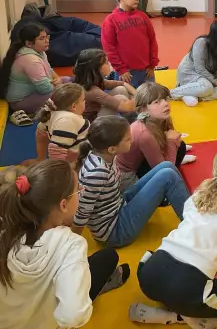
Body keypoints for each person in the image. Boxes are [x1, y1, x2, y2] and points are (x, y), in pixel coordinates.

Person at [130, 147, 217, 328]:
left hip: (149, 274)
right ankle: (180, 317)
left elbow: (188, 220)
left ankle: (172, 307)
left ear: (214, 171)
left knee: (181, 286)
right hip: (190, 287)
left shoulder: (200, 192)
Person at [0, 161, 129, 329]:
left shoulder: (7, 227)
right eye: (78, 190)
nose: (82, 191)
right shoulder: (71, 246)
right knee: (109, 257)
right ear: (63, 205)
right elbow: (73, 316)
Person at [72, 116, 190, 248]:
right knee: (167, 175)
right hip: (116, 232)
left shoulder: (103, 154)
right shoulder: (96, 173)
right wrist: (72, 243)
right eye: (128, 139)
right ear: (112, 149)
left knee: (166, 166)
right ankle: (195, 222)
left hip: (120, 205)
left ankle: (193, 210)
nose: (132, 140)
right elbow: (83, 210)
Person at [115, 82, 195, 190]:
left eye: (166, 99)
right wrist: (171, 142)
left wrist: (172, 142)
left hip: (142, 161)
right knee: (176, 147)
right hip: (127, 176)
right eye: (157, 102)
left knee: (181, 146)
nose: (165, 104)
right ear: (143, 109)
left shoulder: (160, 119)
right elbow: (165, 171)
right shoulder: (144, 133)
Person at [0, 22, 68, 122]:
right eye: (42, 38)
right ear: (29, 43)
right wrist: (59, 85)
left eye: (47, 37)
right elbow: (44, 89)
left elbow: (49, 70)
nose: (47, 41)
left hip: (35, 92)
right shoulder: (31, 60)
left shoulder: (40, 52)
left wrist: (58, 79)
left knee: (66, 81)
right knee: (66, 93)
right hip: (20, 102)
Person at [101, 0, 159, 88]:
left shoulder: (143, 16)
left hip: (146, 71)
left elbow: (152, 40)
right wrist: (121, 70)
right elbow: (109, 48)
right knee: (129, 101)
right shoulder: (111, 20)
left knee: (151, 100)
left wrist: (152, 64)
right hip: (126, 73)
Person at [170, 21, 217, 107]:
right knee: (207, 88)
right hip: (191, 73)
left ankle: (193, 95)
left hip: (208, 77)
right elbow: (199, 69)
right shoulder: (201, 43)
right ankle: (171, 92)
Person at [74, 48, 136, 122]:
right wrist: (141, 98)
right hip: (93, 124)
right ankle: (132, 124)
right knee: (120, 98)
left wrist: (137, 94)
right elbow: (127, 107)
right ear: (97, 68)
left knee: (120, 89)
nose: (109, 64)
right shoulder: (92, 91)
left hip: (97, 112)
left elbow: (122, 83)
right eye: (106, 62)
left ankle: (130, 122)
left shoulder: (91, 81)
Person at [35, 83, 89, 163]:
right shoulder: (68, 120)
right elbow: (57, 152)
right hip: (77, 162)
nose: (85, 102)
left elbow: (40, 134)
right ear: (73, 106)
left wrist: (41, 158)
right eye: (83, 100)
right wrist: (59, 171)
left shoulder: (51, 113)